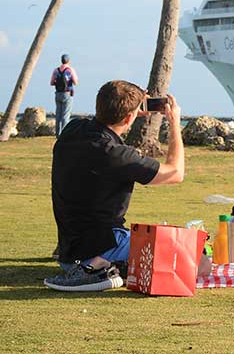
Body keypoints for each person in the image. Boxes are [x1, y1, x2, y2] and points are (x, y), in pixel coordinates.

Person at [44, 81, 186, 292]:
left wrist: (129, 111)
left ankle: (108, 266)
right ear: (129, 117)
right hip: (106, 246)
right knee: (192, 254)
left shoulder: (72, 130)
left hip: (69, 253)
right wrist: (174, 124)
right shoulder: (116, 154)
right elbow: (176, 172)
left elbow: (109, 118)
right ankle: (98, 269)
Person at [50, 54, 78, 137]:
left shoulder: (56, 70)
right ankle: (64, 134)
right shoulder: (70, 70)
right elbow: (76, 82)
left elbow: (51, 82)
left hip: (58, 93)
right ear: (68, 61)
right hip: (67, 93)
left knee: (58, 114)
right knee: (65, 115)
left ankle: (58, 134)